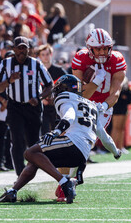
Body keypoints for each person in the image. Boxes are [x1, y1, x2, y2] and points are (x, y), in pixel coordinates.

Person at [0, 75, 121, 204]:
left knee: (30, 153)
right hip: (82, 156)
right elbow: (104, 136)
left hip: (72, 143)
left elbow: (69, 116)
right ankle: (13, 191)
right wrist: (116, 152)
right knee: (35, 160)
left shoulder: (66, 98)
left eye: (60, 87)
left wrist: (56, 131)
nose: (57, 90)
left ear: (67, 88)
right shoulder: (92, 106)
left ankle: (64, 182)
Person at [49, 28, 126, 201]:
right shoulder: (81, 58)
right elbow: (79, 94)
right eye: (98, 49)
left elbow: (116, 91)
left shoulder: (117, 59)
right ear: (90, 48)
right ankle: (64, 182)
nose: (102, 52)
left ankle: (67, 183)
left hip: (104, 107)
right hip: (81, 103)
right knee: (69, 140)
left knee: (82, 143)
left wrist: (104, 106)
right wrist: (96, 81)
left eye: (105, 48)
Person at [0, 36, 53, 176]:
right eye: (18, 48)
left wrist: (39, 98)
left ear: (29, 50)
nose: (21, 51)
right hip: (15, 106)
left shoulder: (36, 64)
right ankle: (20, 173)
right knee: (17, 139)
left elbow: (50, 85)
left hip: (33, 107)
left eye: (24, 48)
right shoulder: (5, 64)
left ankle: (31, 170)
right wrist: (9, 80)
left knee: (33, 142)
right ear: (13, 49)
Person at [37, 44, 67, 134]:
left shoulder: (59, 70)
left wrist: (58, 98)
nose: (45, 57)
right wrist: (41, 99)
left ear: (51, 54)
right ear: (39, 56)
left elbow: (67, 84)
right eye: (43, 54)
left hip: (56, 106)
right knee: (44, 133)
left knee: (57, 131)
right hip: (43, 107)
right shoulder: (37, 71)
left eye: (47, 54)